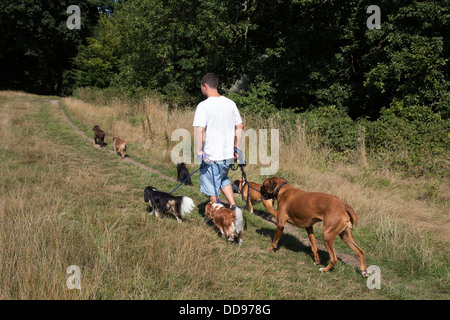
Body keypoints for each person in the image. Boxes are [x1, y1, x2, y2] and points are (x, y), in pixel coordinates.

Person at [193, 73, 244, 209]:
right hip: (227, 155)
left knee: (212, 186)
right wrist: (236, 148)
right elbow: (239, 126)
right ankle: (233, 206)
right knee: (223, 180)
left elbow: (200, 130)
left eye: (201, 87)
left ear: (205, 86)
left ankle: (218, 215)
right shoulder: (230, 103)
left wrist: (198, 151)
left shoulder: (203, 106)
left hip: (211, 156)